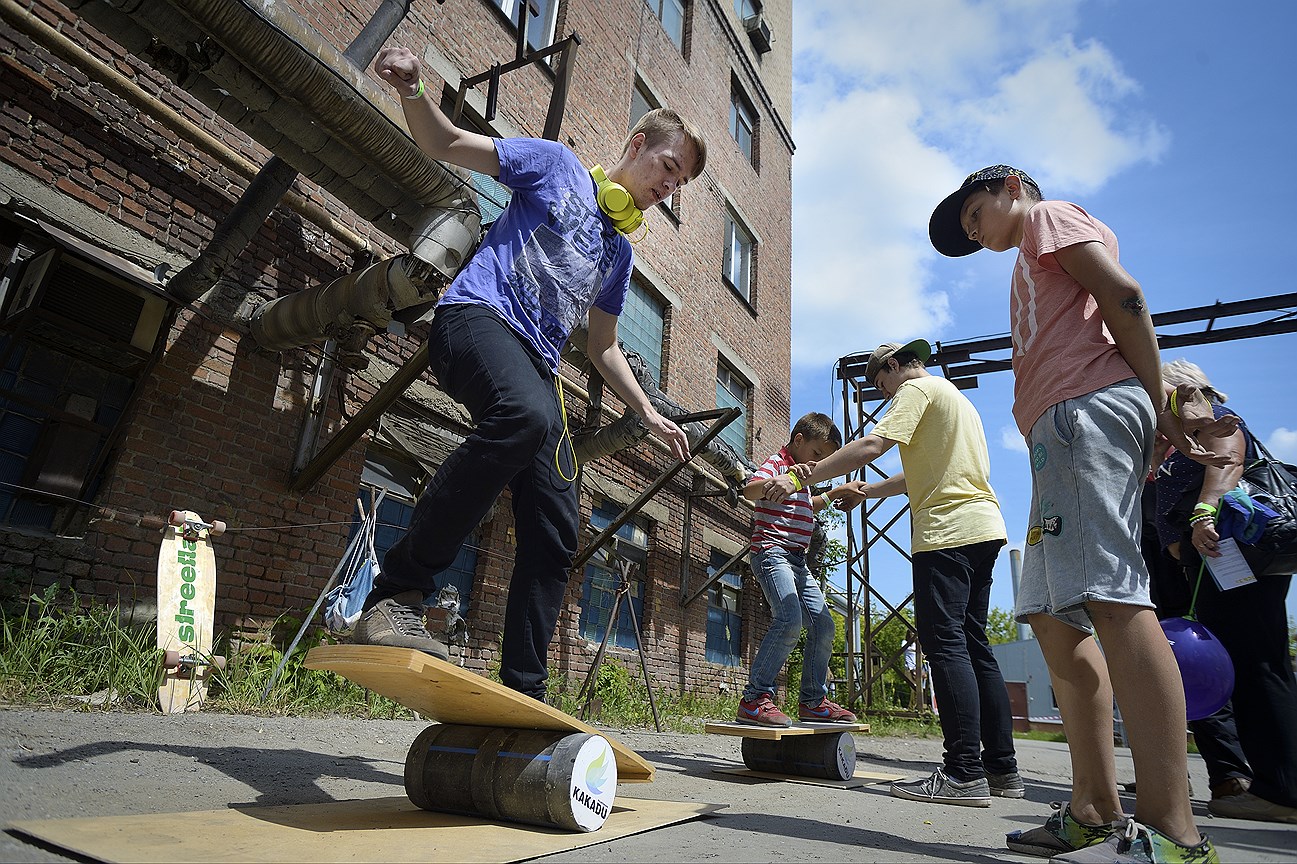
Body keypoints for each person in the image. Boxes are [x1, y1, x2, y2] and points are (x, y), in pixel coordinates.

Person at [351, 46, 705, 702]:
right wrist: (414, 87)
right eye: (668, 167)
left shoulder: (617, 253)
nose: (669, 187)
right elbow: (447, 141)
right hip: (474, 321)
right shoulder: (553, 165)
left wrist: (649, 413)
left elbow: (601, 350)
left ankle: (524, 694)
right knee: (526, 415)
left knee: (555, 525)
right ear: (637, 144)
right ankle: (395, 595)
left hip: (536, 365)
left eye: (679, 183)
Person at [929, 166, 1225, 862]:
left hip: (1084, 409)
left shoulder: (1047, 217)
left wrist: (1157, 404)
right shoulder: (1026, 254)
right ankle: (1092, 807)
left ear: (1007, 185)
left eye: (973, 214)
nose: (973, 232)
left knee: (1110, 595)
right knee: (1047, 610)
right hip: (1053, 433)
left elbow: (1123, 296)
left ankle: (1173, 831)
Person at [765, 340, 1022, 807]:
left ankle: (963, 771)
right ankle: (1001, 768)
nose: (885, 396)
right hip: (985, 526)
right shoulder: (957, 400)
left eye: (883, 386)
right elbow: (915, 476)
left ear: (895, 366)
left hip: (948, 532)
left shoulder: (917, 391)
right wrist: (869, 492)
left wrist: (803, 477)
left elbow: (870, 444)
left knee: (944, 646)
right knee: (974, 645)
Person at [1152, 359, 1297, 824]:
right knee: (1262, 660)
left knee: (1255, 664)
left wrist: (1203, 512)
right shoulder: (1183, 427)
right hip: (1234, 554)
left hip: (1229, 551)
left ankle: (1281, 790)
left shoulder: (1203, 412)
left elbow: (1229, 452)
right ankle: (1280, 780)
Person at [736, 412, 859, 727]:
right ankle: (754, 699)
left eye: (825, 460)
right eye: (817, 455)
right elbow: (750, 490)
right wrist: (783, 477)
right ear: (799, 440)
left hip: (797, 562)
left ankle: (813, 701)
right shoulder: (779, 465)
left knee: (824, 625)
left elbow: (806, 504)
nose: (819, 464)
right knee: (789, 620)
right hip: (771, 553)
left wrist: (831, 495)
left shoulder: (803, 478)